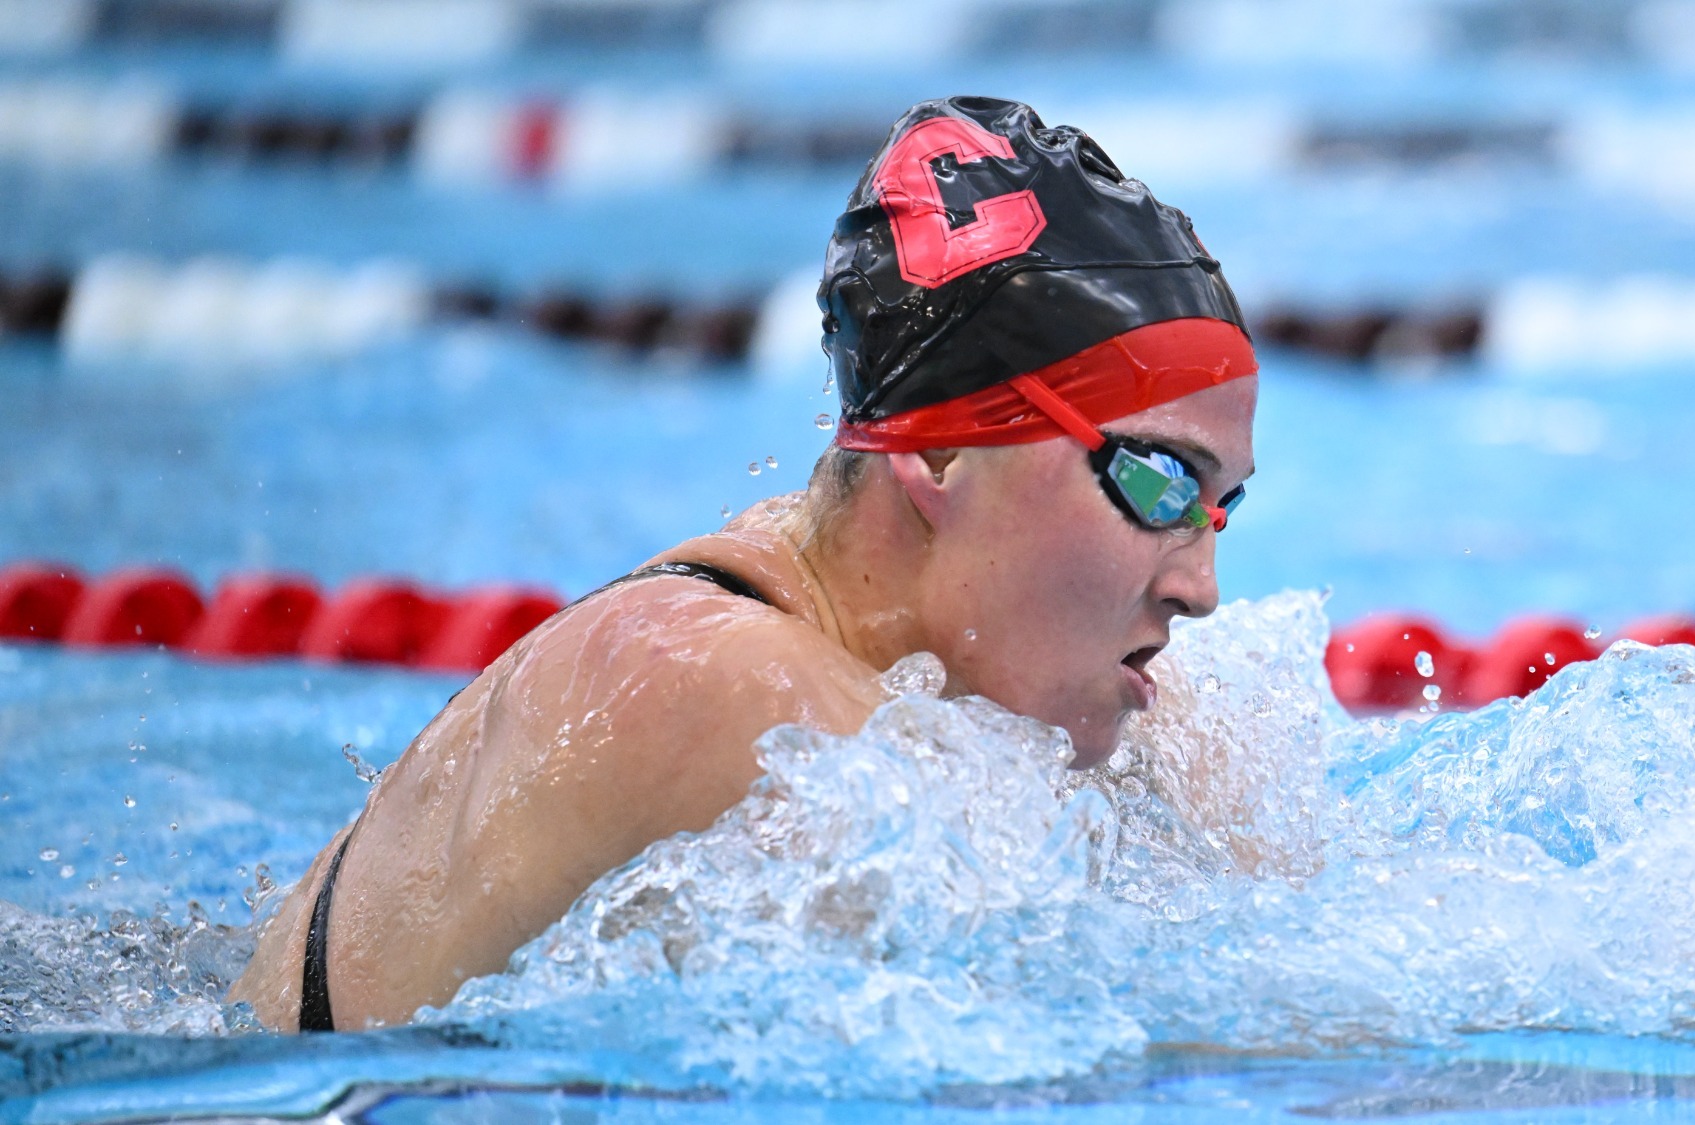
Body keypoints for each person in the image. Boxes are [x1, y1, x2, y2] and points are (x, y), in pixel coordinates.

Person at [229, 95, 1259, 1031]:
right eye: (1161, 482)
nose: (1197, 587)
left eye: (1219, 509)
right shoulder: (729, 690)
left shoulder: (823, 624)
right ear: (942, 453)